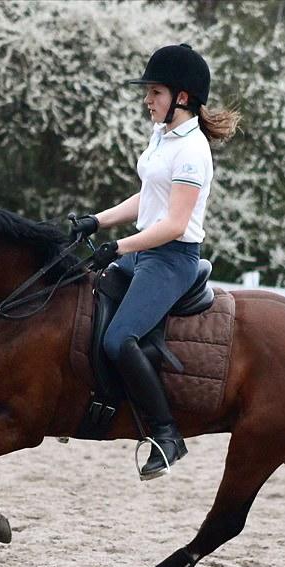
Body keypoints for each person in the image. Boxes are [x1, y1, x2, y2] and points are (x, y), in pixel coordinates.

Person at [70, 43, 239, 479]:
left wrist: (120, 247)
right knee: (81, 295)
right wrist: (95, 221)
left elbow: (175, 222)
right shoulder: (163, 136)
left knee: (118, 338)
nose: (148, 99)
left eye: (155, 91)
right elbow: (149, 196)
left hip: (171, 259)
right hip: (145, 251)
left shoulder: (193, 150)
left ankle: (166, 436)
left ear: (181, 97)